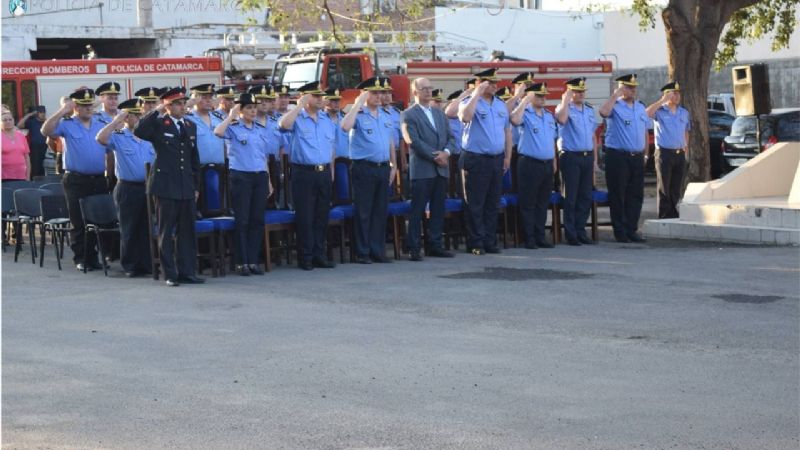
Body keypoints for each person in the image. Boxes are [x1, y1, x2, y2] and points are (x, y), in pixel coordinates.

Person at [134, 87, 204, 286]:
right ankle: (170, 274)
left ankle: (187, 272)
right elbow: (139, 130)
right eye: (178, 103)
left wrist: (196, 186)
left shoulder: (190, 125)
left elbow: (193, 158)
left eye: (183, 103)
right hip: (165, 185)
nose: (183, 107)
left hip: (186, 186)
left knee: (187, 231)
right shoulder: (158, 124)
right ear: (169, 105)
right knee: (166, 232)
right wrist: (156, 109)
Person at [41, 88, 112, 271]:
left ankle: (95, 257)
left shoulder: (101, 122)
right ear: (76, 107)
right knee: (79, 221)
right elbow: (46, 130)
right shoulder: (67, 123)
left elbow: (110, 150)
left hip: (98, 179)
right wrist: (62, 110)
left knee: (98, 220)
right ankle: (81, 257)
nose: (89, 108)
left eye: (90, 105)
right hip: (76, 179)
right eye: (84, 106)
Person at [278, 81, 337, 271]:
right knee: (305, 217)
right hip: (304, 173)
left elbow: (332, 147)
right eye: (315, 96)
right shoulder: (297, 118)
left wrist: (332, 170)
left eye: (321, 96)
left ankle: (319, 254)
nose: (321, 99)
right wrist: (300, 105)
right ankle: (306, 256)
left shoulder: (326, 120)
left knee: (321, 216)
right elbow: (283, 124)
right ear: (305, 97)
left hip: (324, 172)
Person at [95, 98, 155, 278]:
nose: (137, 118)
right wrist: (115, 121)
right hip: (128, 188)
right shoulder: (119, 136)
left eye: (139, 114)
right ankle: (130, 265)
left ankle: (146, 264)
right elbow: (101, 138)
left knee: (146, 228)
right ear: (126, 118)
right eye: (132, 115)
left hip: (147, 187)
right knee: (129, 228)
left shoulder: (149, 137)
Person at [214, 93, 272, 276]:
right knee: (243, 220)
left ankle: (254, 260)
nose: (253, 111)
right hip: (241, 177)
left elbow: (263, 157)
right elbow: (218, 132)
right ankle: (241, 262)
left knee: (257, 220)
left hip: (259, 176)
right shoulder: (233, 127)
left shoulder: (260, 129)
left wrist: (268, 180)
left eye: (254, 107)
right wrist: (231, 115)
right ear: (240, 110)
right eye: (248, 108)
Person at [341, 77, 397, 264]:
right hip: (364, 167)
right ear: (364, 94)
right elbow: (344, 126)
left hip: (382, 167)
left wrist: (393, 165)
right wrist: (357, 104)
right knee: (364, 211)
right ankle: (362, 252)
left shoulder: (385, 115)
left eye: (380, 92)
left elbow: (389, 141)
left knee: (380, 211)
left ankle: (377, 250)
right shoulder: (358, 114)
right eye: (373, 92)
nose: (378, 96)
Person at [457, 67, 512, 255]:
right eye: (491, 83)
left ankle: (489, 240)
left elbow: (506, 131)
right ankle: (476, 242)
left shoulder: (500, 105)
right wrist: (477, 93)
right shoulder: (469, 101)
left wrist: (507, 156)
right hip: (476, 158)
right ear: (481, 83)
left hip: (496, 159)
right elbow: (465, 116)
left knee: (492, 202)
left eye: (496, 82)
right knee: (475, 203)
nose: (496, 86)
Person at [402, 77, 455, 261]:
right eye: (423, 88)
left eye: (430, 88)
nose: (428, 91)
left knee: (438, 208)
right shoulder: (408, 114)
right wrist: (437, 156)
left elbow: (451, 138)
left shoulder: (439, 113)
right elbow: (414, 141)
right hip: (423, 169)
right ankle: (414, 247)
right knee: (417, 210)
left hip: (441, 168)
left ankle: (435, 245)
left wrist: (446, 153)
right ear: (415, 92)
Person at [599, 73, 649, 243]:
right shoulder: (615, 106)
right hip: (618, 157)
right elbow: (603, 111)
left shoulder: (641, 107)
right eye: (628, 87)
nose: (632, 90)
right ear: (620, 87)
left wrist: (645, 154)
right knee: (618, 194)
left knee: (635, 195)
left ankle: (632, 229)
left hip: (636, 157)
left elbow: (644, 132)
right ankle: (620, 231)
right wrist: (615, 95)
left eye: (634, 87)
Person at [511, 82, 558, 249]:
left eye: (544, 95)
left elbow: (552, 140)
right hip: (529, 163)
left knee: (542, 203)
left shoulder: (549, 116)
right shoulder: (525, 113)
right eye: (538, 95)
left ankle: (540, 236)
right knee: (528, 203)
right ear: (531, 97)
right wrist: (524, 100)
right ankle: (529, 238)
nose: (543, 98)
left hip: (546, 164)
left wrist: (553, 162)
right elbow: (514, 120)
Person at [555, 77, 599, 246]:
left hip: (587, 156)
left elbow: (593, 136)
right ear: (570, 92)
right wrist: (565, 100)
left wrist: (594, 159)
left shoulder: (588, 109)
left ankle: (581, 231)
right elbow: (562, 120)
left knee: (585, 197)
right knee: (571, 196)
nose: (581, 94)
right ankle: (571, 233)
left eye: (582, 91)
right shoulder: (564, 108)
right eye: (577, 91)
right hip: (571, 157)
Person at [646, 81, 691, 219]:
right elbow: (647, 113)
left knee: (676, 186)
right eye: (674, 93)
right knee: (664, 186)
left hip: (679, 153)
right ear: (667, 95)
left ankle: (674, 212)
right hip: (664, 153)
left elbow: (686, 131)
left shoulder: (683, 112)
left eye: (678, 93)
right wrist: (662, 100)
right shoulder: (660, 111)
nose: (677, 96)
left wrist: (686, 149)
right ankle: (665, 214)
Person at [185, 83, 226, 165]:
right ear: (195, 99)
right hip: (197, 169)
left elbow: (225, 145)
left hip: (219, 169)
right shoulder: (187, 118)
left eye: (210, 97)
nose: (209, 100)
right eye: (204, 98)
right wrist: (188, 104)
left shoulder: (219, 118)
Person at [18, 105, 47, 178]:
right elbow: (19, 125)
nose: (42, 114)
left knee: (44, 166)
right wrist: (29, 115)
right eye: (40, 112)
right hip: (35, 148)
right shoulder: (32, 122)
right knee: (35, 166)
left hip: (46, 147)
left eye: (44, 112)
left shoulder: (47, 122)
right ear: (37, 113)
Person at [2, 109, 31, 181]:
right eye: (4, 120)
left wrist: (28, 177)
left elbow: (27, 158)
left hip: (21, 176)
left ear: (13, 121)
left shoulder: (21, 136)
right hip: (4, 177)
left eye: (10, 119)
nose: (8, 121)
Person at [322, 88, 350, 159]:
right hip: (327, 160)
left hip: (344, 159)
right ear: (326, 101)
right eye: (333, 101)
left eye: (338, 100)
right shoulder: (320, 119)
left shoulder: (344, 118)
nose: (337, 103)